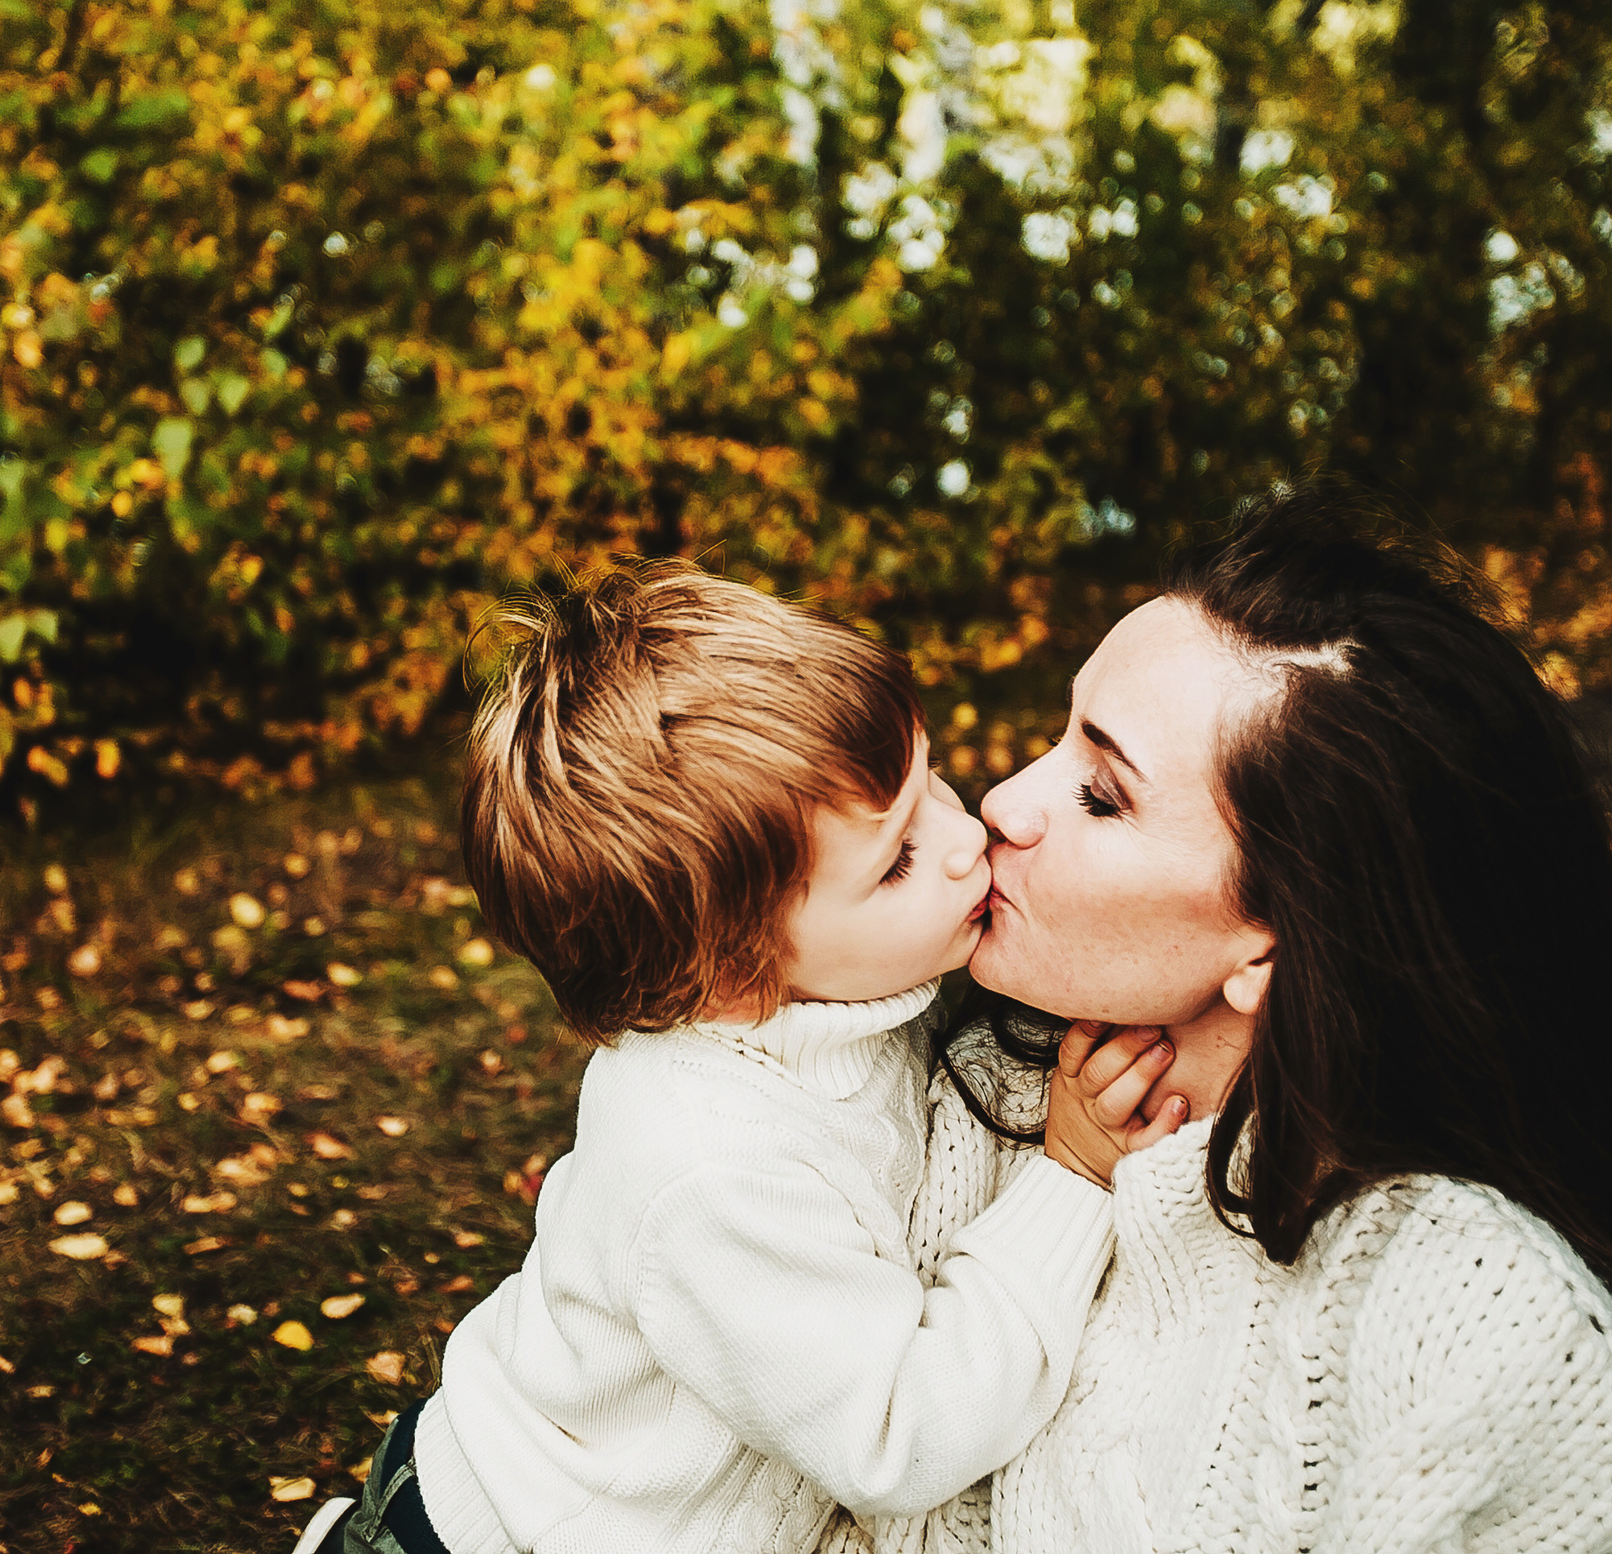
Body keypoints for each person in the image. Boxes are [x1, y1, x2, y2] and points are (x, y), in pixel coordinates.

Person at [856, 488, 1612, 1554]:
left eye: (1102, 795)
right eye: (1060, 736)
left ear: (1276, 940)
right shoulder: (934, 1072)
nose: (1005, 803)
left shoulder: (1476, 1331)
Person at [295, 563, 1161, 1554]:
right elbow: (897, 1434)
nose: (968, 836)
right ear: (734, 978)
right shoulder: (715, 1172)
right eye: (897, 861)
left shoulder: (832, 987)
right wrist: (1070, 1179)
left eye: (930, 785)